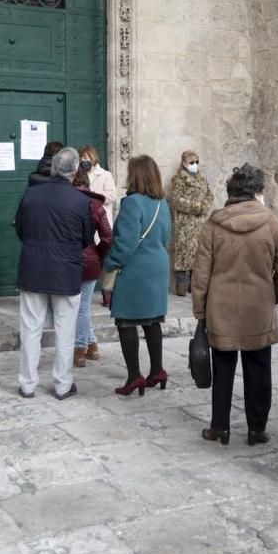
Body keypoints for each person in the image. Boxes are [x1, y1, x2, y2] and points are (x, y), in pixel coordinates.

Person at [192, 164, 278, 446]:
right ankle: (256, 429)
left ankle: (220, 427)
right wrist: (272, 294)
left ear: (231, 192)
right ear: (258, 191)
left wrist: (200, 311)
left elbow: (200, 274)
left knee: (223, 368)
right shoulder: (272, 223)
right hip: (258, 309)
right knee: (259, 368)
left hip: (220, 309)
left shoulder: (213, 225)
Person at [14, 147, 94, 400]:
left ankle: (27, 384)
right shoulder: (81, 200)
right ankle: (62, 384)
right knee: (65, 330)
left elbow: (21, 229)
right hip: (66, 272)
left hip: (33, 268)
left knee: (30, 329)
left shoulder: (31, 194)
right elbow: (86, 238)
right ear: (74, 171)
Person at [104, 155, 171, 396]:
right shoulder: (162, 203)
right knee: (153, 320)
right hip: (158, 265)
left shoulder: (132, 203)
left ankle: (134, 376)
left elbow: (124, 244)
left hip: (137, 269)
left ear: (136, 175)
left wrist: (110, 264)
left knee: (126, 321)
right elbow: (164, 237)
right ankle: (157, 371)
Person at [71, 167, 113, 367]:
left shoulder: (65, 203)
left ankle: (80, 349)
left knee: (78, 307)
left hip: (68, 259)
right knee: (83, 305)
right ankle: (92, 344)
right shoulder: (97, 205)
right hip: (90, 259)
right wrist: (98, 254)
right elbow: (107, 237)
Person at [168, 150, 213, 296]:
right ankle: (181, 287)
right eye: (191, 162)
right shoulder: (178, 179)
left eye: (196, 162)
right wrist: (197, 207)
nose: (194, 165)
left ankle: (195, 287)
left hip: (200, 223)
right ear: (184, 163)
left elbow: (209, 195)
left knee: (199, 255)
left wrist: (205, 205)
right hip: (184, 225)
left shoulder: (202, 178)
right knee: (183, 256)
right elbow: (176, 200)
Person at [79, 145, 117, 307]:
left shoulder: (105, 175)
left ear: (93, 158)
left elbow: (112, 195)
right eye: (81, 158)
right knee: (90, 259)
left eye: (86, 157)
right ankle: (85, 291)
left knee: (106, 259)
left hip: (101, 220)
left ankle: (106, 291)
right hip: (85, 222)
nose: (83, 161)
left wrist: (93, 194)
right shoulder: (78, 175)